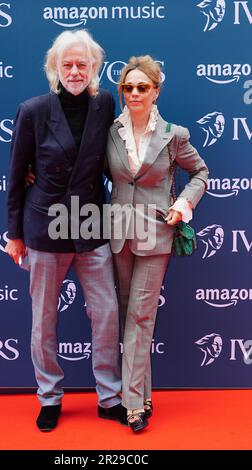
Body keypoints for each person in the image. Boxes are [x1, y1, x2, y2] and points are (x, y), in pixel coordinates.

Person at [6, 30, 127, 432]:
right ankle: (49, 396)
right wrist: (14, 233)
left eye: (83, 64)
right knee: (43, 319)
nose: (75, 71)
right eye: (67, 64)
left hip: (91, 225)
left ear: (95, 68)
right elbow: (14, 174)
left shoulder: (105, 103)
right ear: (54, 68)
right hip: (44, 227)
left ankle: (110, 397)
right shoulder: (33, 110)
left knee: (107, 314)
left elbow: (117, 158)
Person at [106, 56, 209, 432]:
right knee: (126, 316)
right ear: (122, 91)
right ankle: (143, 392)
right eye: (128, 87)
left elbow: (200, 172)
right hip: (117, 236)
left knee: (140, 316)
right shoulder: (109, 131)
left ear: (155, 91)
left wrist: (182, 204)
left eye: (142, 88)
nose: (134, 93)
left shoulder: (173, 135)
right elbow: (85, 168)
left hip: (155, 234)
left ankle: (132, 404)